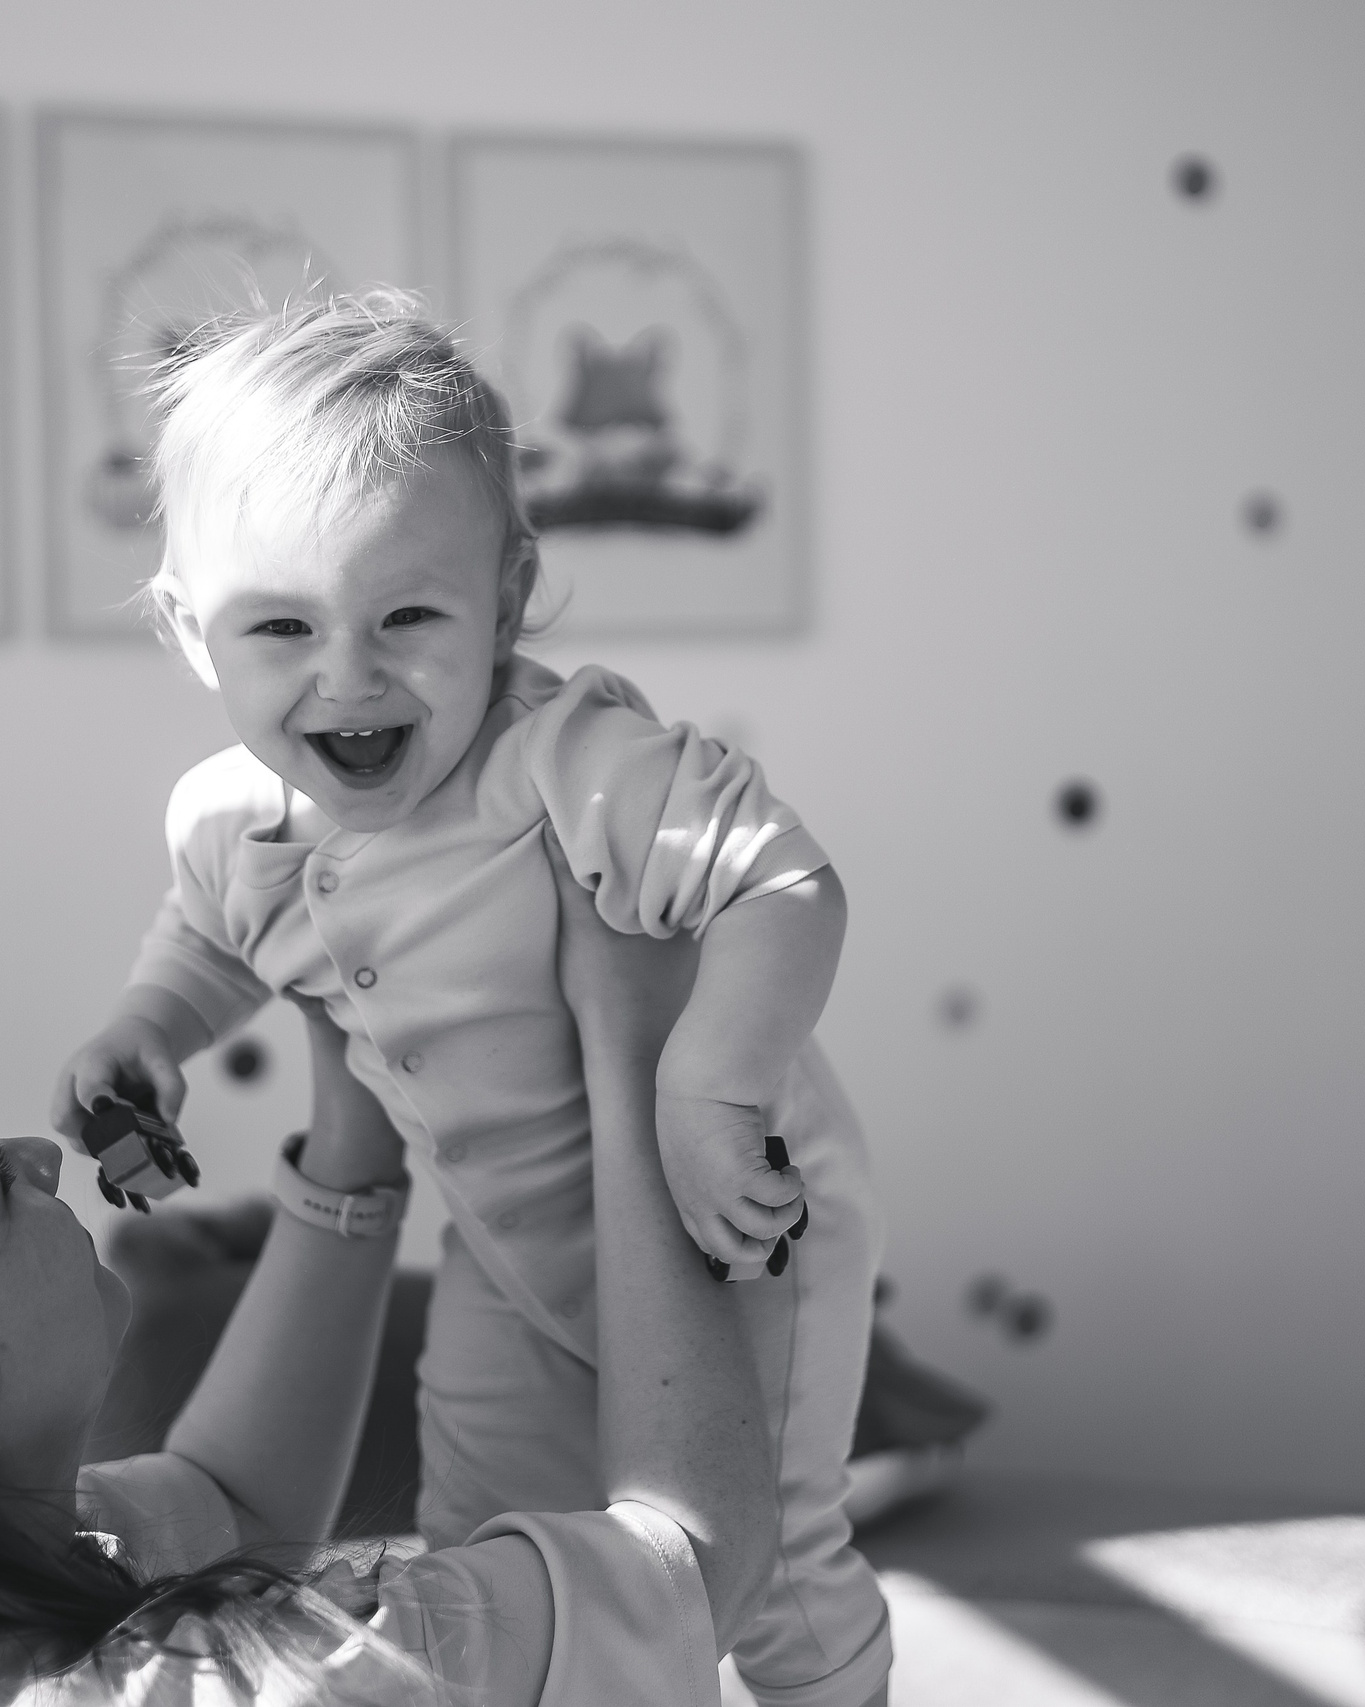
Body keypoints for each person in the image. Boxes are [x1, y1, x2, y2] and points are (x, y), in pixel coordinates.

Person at [51, 291, 889, 1707]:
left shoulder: (571, 763)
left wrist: (712, 1084)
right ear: (195, 632)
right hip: (503, 1253)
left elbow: (786, 883)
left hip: (737, 1217)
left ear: (507, 593)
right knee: (492, 1537)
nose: (350, 674)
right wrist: (149, 1031)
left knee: (777, 1575)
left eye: (410, 613)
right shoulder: (229, 820)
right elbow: (210, 945)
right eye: (281, 627)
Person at [0, 855, 774, 1705]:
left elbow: (226, 1494)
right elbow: (692, 1561)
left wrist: (351, 1131)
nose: (42, 1154)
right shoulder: (260, 1685)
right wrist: (638, 1053)